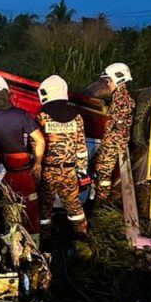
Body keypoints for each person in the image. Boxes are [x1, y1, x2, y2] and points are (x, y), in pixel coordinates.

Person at [0, 74, 45, 231]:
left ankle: (1, 245)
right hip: (22, 172)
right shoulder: (22, 115)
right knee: (29, 209)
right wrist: (38, 163)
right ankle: (33, 247)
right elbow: (40, 140)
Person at [35, 75, 89, 247]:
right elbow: (81, 148)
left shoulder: (42, 116)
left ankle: (44, 242)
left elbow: (35, 144)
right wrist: (82, 171)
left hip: (48, 171)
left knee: (44, 209)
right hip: (70, 171)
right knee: (75, 208)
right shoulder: (77, 117)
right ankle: (81, 238)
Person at [91, 62, 135, 204]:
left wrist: (110, 142)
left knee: (104, 170)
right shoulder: (119, 97)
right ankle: (99, 197)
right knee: (98, 165)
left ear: (117, 79)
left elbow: (118, 124)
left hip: (114, 141)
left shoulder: (123, 99)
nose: (108, 84)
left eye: (109, 80)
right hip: (111, 140)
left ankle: (101, 201)